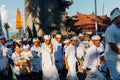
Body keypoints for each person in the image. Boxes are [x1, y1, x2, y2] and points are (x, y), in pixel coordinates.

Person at [105, 7, 120, 80]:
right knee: (116, 77)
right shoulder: (110, 29)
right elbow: (112, 46)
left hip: (118, 57)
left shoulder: (118, 29)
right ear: (115, 18)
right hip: (112, 58)